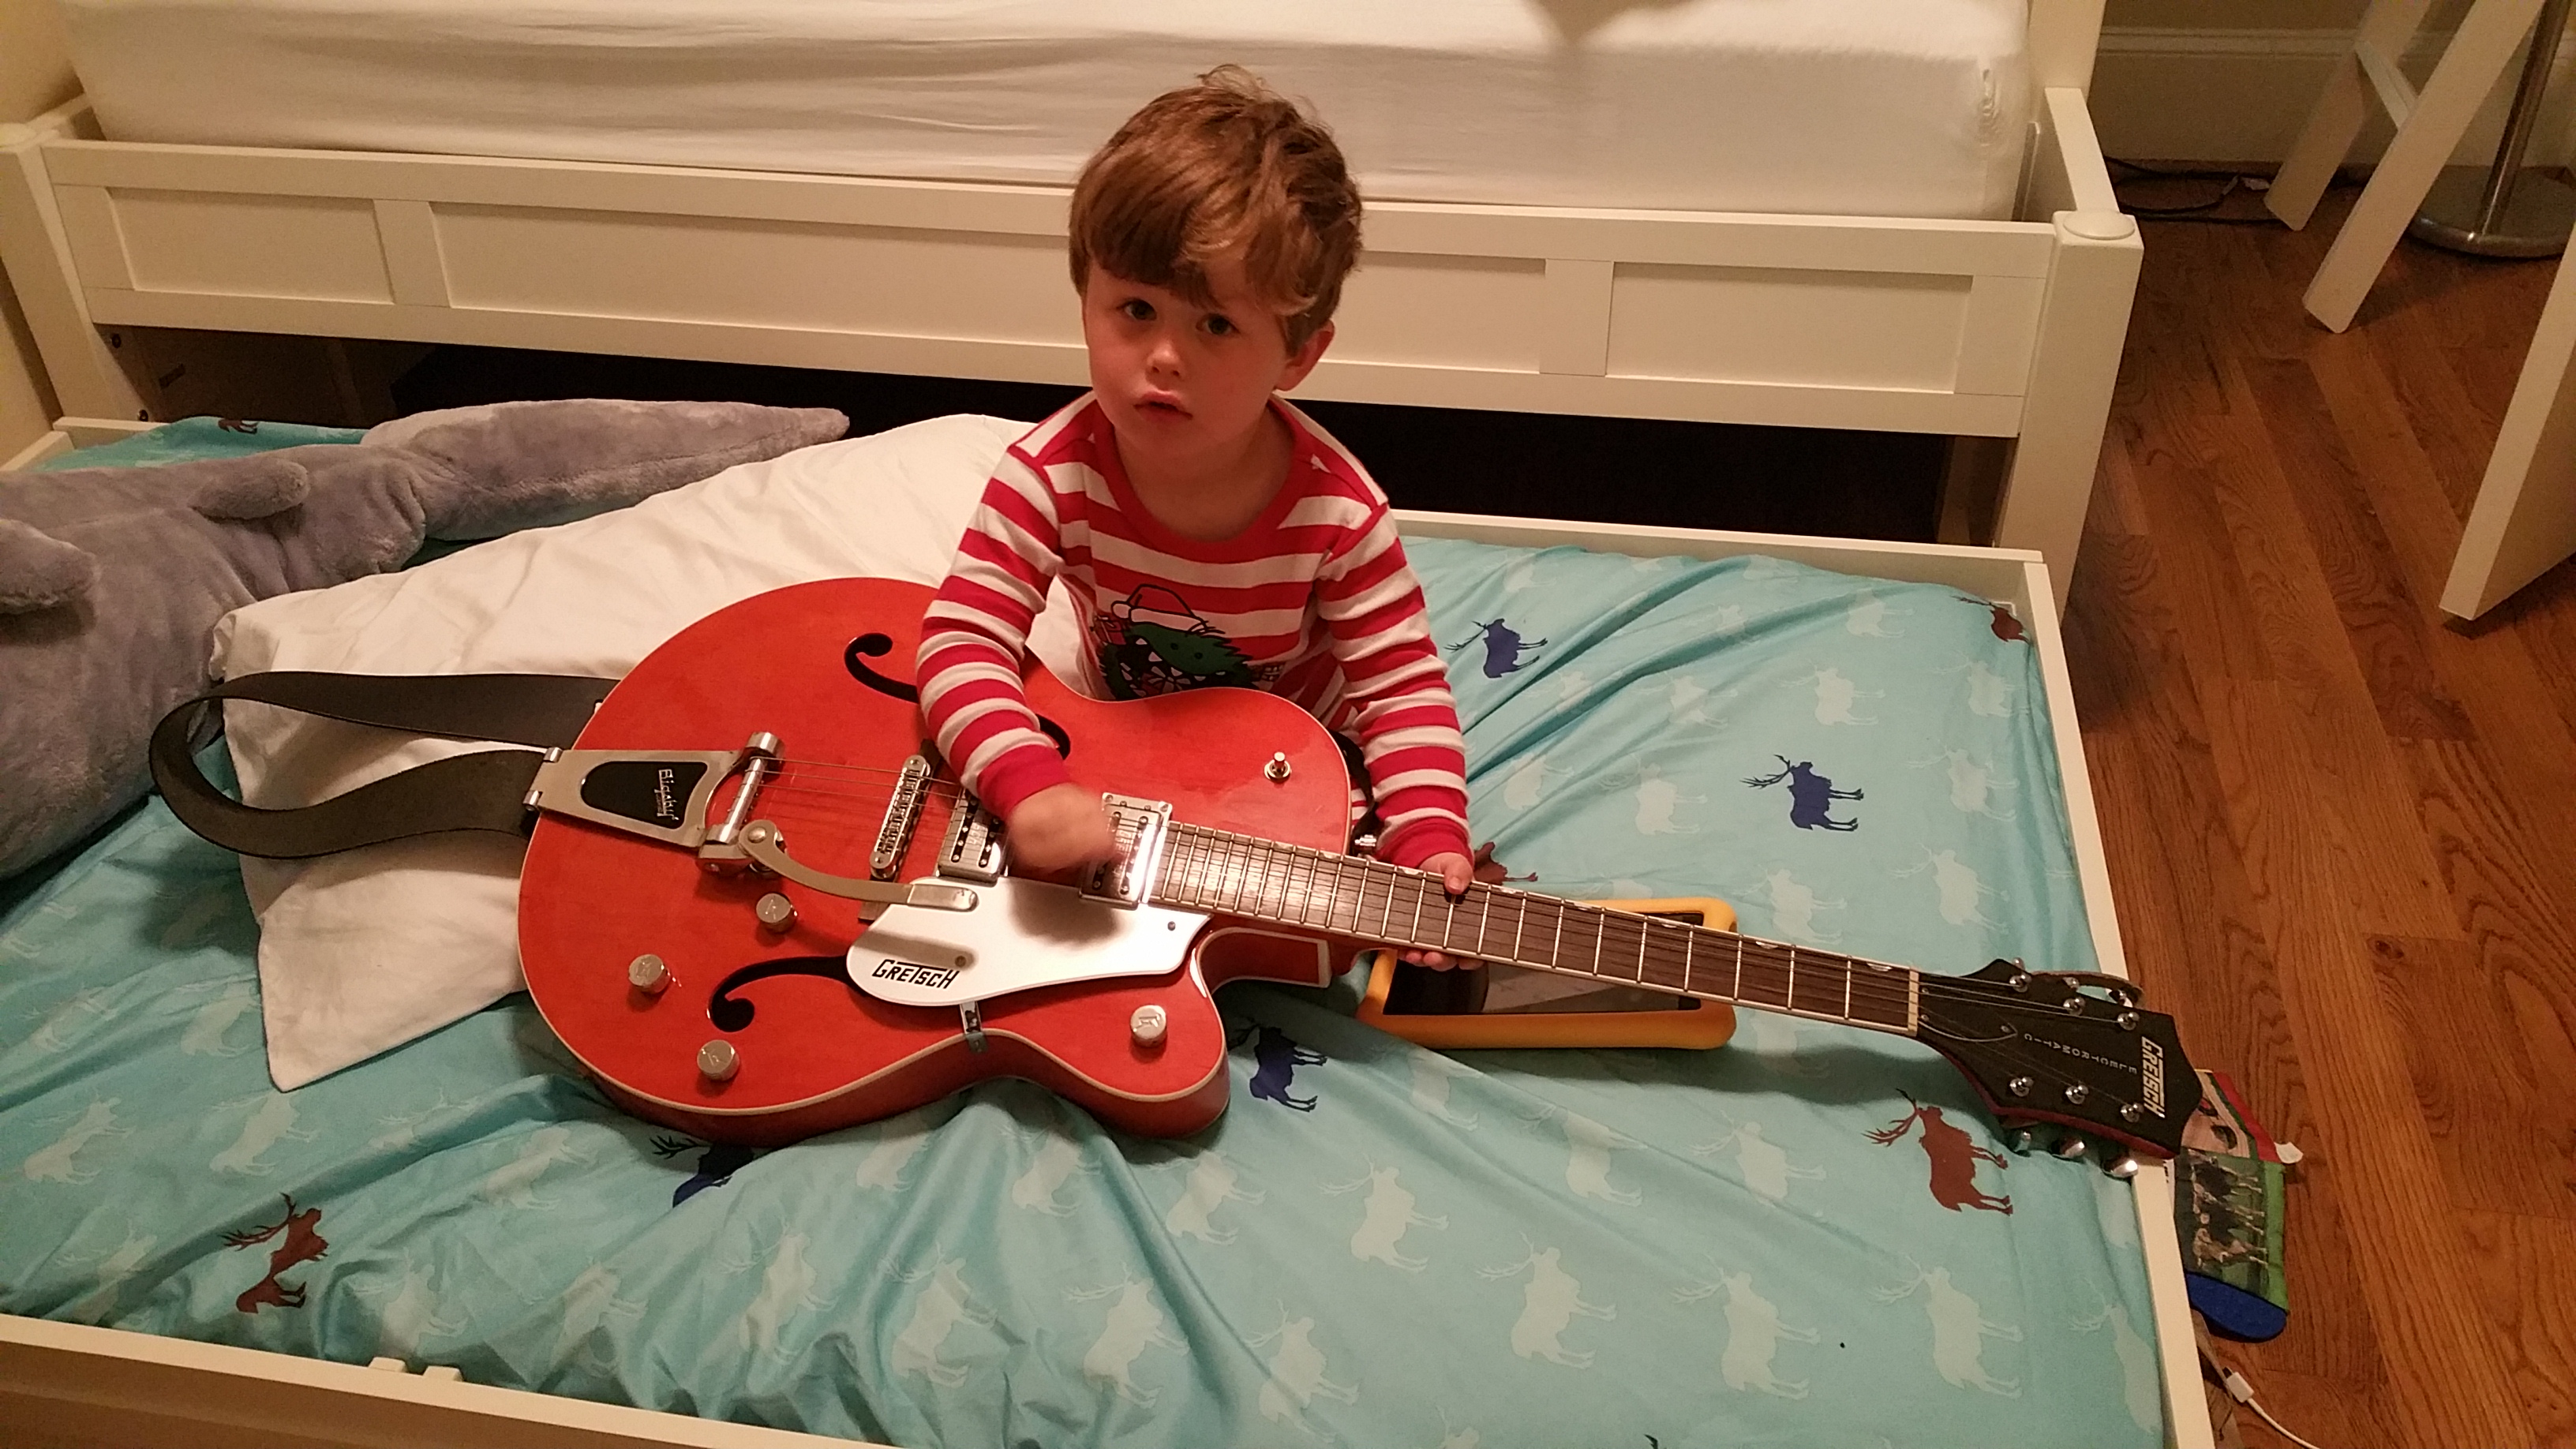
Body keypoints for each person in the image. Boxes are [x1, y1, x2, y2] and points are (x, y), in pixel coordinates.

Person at [915, 66, 1476, 966]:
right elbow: (959, 640)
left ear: (1298, 356)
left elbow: (1400, 688)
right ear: (1086, 300)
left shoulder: (1338, 513)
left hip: (1300, 755)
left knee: (1315, 939)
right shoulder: (1049, 478)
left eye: (1216, 326)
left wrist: (1427, 832)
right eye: (1135, 310)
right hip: (1125, 748)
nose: (1165, 356)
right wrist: (1028, 784)